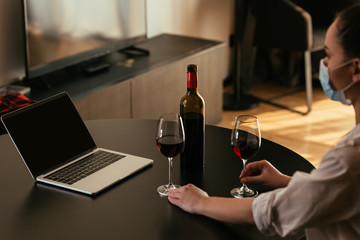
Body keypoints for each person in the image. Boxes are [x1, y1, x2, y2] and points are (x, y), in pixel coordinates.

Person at [167, 3, 360, 239]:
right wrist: (284, 181)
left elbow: (270, 212)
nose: (324, 64)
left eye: (328, 55)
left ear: (356, 68)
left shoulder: (352, 156)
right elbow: (336, 191)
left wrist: (200, 202)